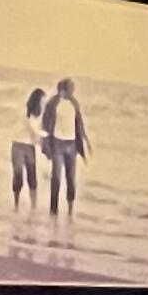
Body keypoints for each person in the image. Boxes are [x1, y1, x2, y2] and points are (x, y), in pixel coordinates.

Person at [42, 75, 90, 216]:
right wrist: (46, 144)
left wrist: (84, 140)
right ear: (63, 89)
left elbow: (79, 123)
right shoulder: (53, 103)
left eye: (72, 89)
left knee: (71, 178)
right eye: (70, 88)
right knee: (56, 177)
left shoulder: (74, 103)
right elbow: (46, 124)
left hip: (72, 144)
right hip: (58, 143)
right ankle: (53, 210)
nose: (72, 91)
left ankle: (70, 210)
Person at [10, 88, 44, 211]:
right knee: (18, 175)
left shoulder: (38, 114)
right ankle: (16, 204)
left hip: (29, 147)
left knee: (32, 176)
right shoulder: (25, 110)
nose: (43, 104)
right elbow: (33, 130)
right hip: (18, 145)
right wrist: (44, 140)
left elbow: (36, 134)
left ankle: (34, 206)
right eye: (42, 101)